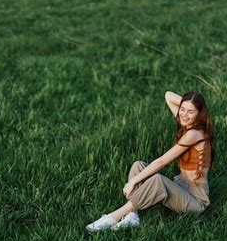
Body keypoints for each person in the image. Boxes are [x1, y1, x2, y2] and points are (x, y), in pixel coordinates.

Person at [86, 91, 216, 232]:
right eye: (182, 109)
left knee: (157, 180)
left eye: (190, 111)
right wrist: (190, 105)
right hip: (181, 185)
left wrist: (132, 182)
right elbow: (168, 95)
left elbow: (162, 162)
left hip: (196, 200)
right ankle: (132, 216)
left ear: (200, 113)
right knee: (138, 166)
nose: (183, 115)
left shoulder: (195, 134)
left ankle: (113, 216)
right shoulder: (189, 124)